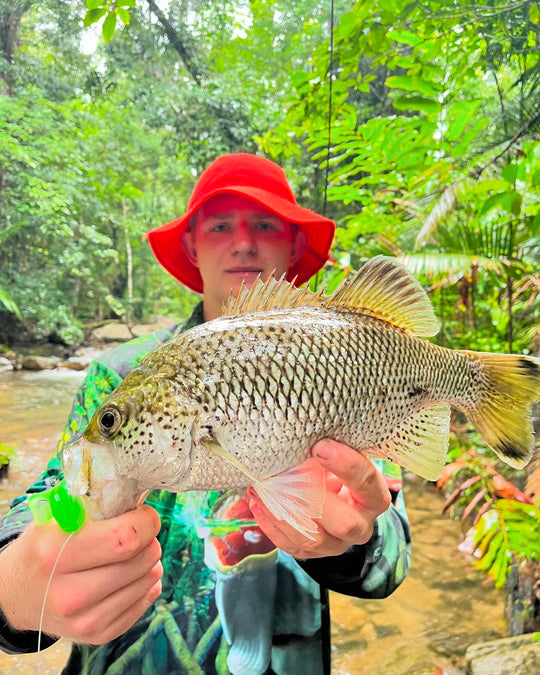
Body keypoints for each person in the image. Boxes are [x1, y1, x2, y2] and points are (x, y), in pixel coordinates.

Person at [0, 154, 411, 674]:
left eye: (264, 223)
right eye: (220, 225)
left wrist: (355, 539)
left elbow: (390, 564)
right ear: (193, 245)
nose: (243, 241)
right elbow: (51, 497)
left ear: (294, 245)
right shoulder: (121, 374)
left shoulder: (349, 361)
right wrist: (14, 586)